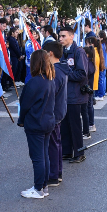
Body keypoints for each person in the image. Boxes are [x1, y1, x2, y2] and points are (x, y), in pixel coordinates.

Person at [17, 50, 57, 199]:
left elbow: (25, 104)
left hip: (36, 122)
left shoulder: (35, 81)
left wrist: (21, 120)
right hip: (48, 121)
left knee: (37, 156)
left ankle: (38, 187)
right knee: (44, 154)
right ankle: (43, 186)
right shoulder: (50, 78)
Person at [57, 27, 88, 162]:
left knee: (75, 125)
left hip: (75, 95)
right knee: (64, 125)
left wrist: (65, 73)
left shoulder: (78, 52)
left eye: (63, 36)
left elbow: (82, 74)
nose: (61, 39)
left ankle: (79, 153)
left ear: (71, 36)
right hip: (64, 95)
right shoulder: (62, 52)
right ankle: (67, 151)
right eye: (60, 36)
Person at [42, 41, 68, 188]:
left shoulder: (55, 71)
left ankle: (53, 174)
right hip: (58, 111)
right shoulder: (61, 69)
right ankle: (57, 172)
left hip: (53, 112)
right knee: (56, 143)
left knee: (52, 144)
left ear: (50, 53)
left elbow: (51, 93)